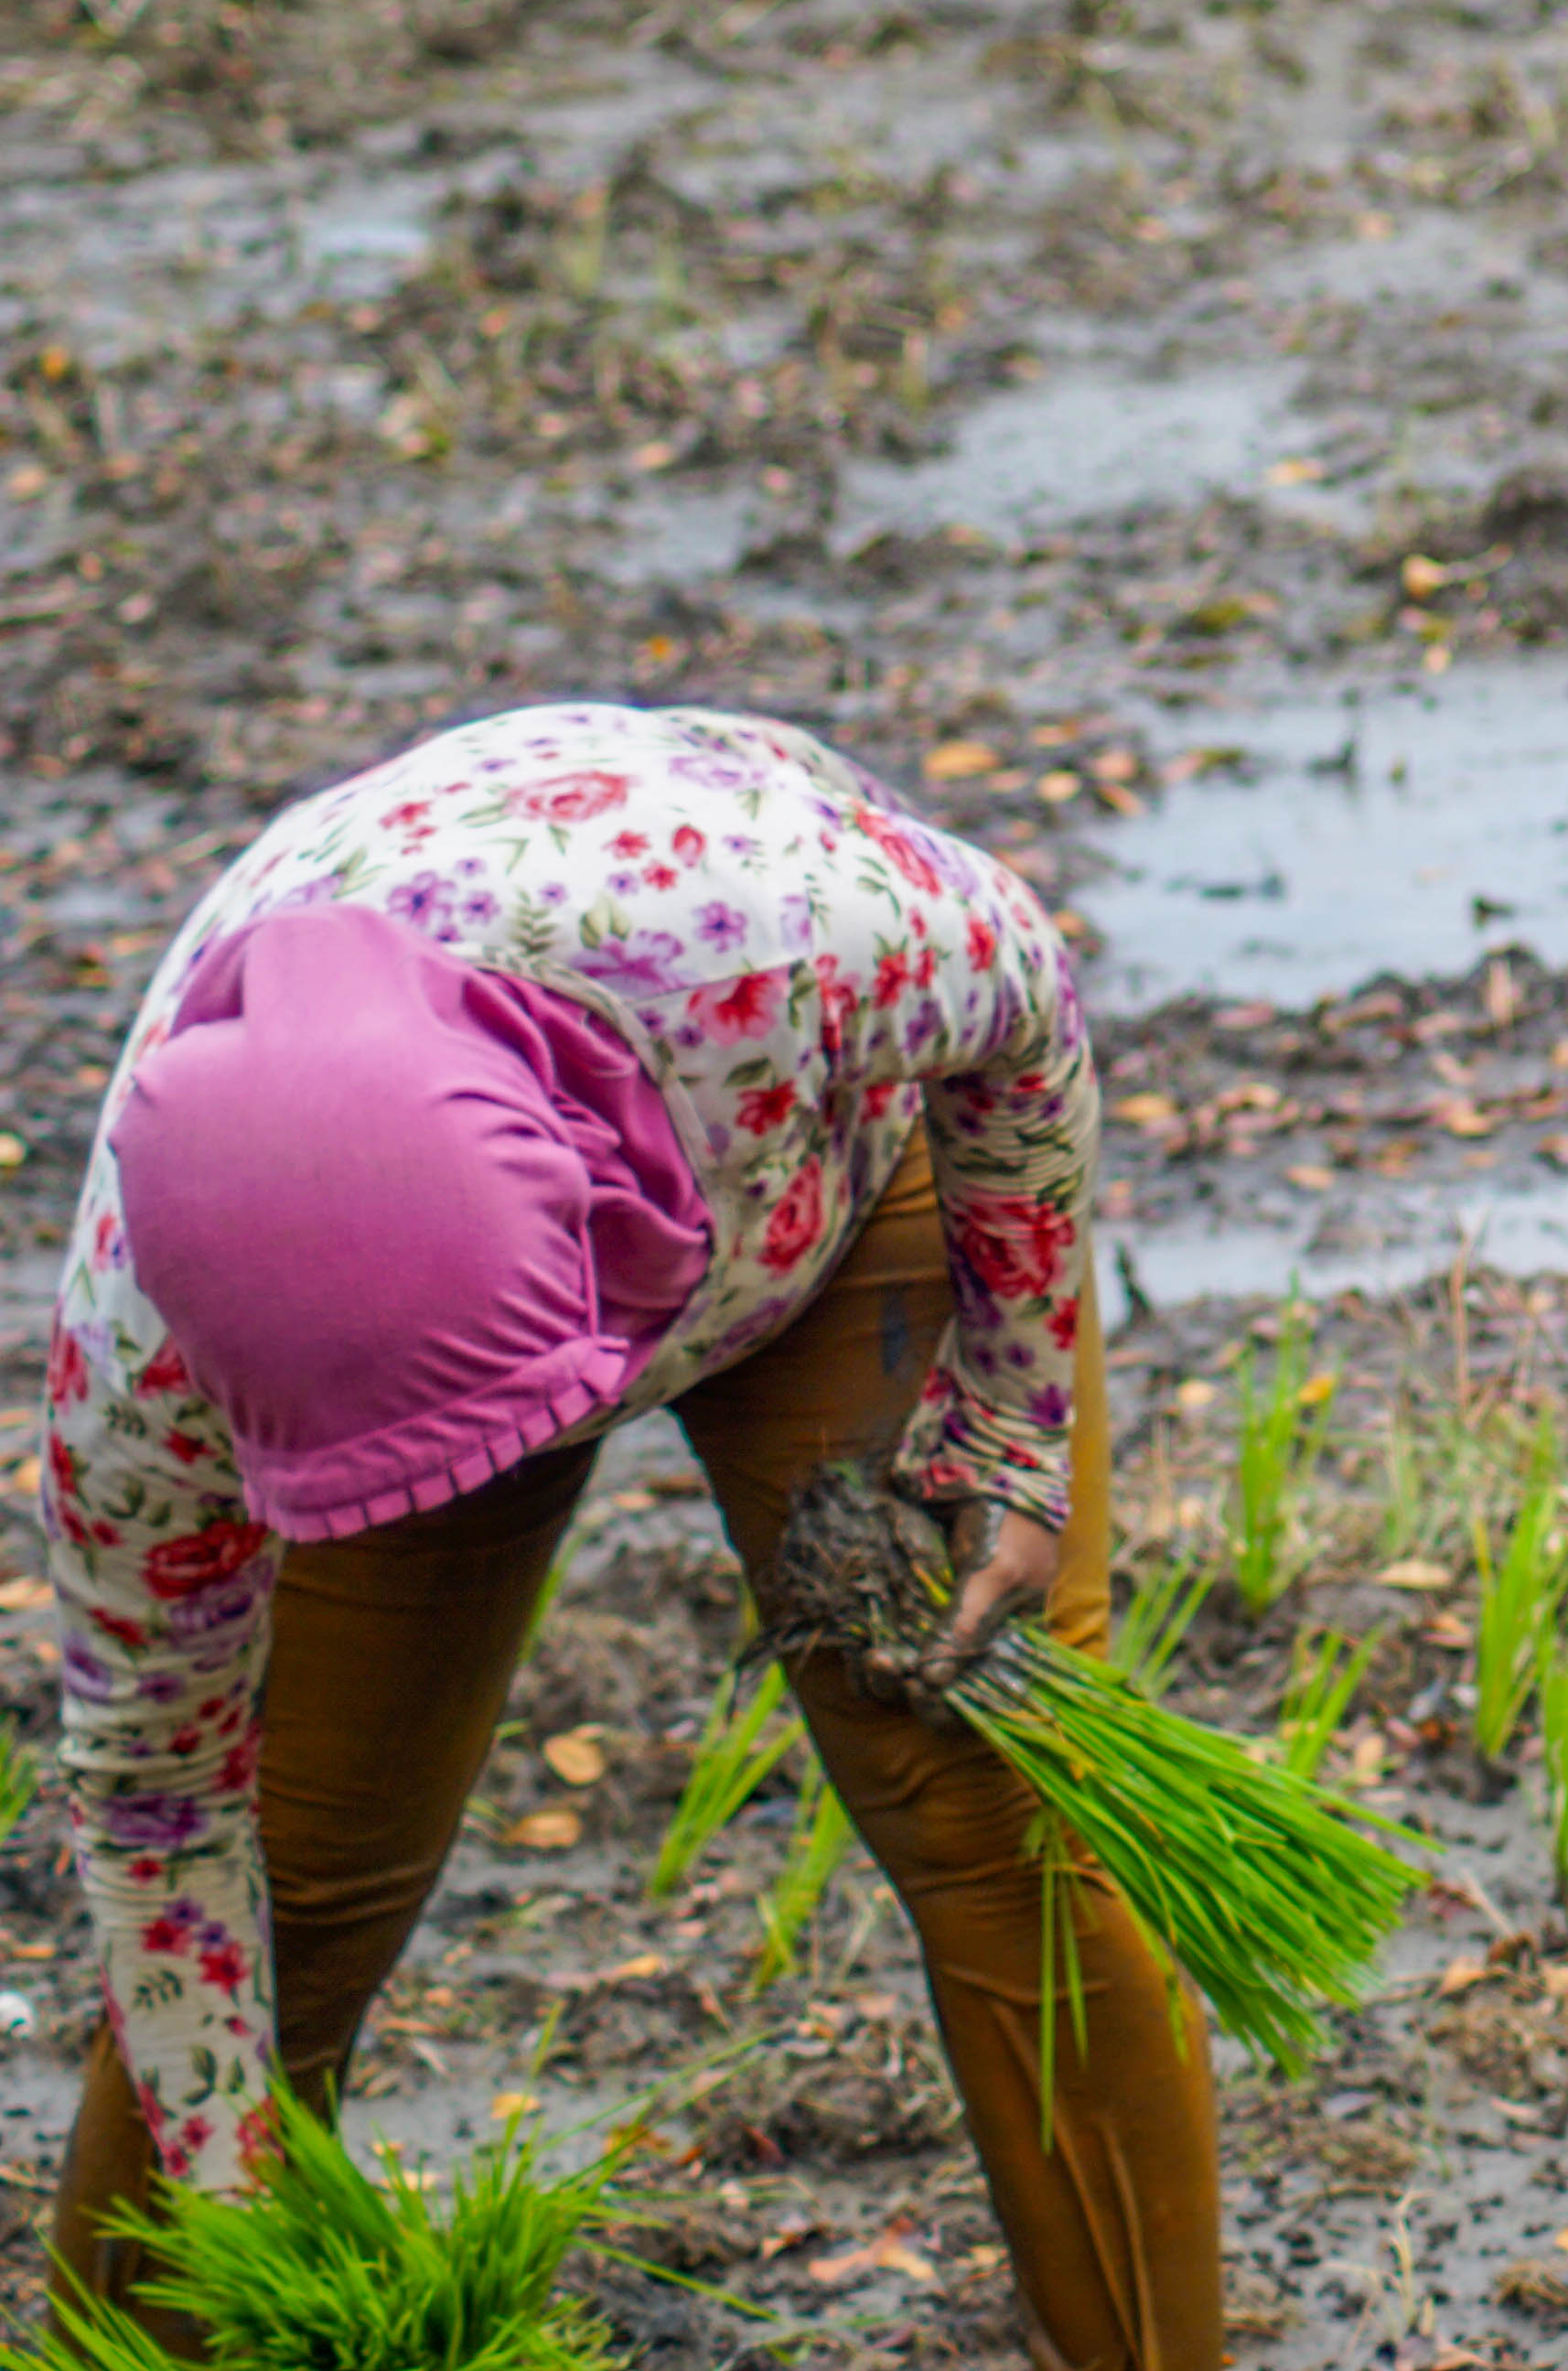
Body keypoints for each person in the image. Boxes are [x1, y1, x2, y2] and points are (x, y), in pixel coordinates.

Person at [39, 701, 1218, 2371]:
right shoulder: (147, 1371)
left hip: (821, 1179)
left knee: (999, 1814)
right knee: (289, 1890)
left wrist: (1015, 1427)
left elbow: (1018, 992)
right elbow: (159, 1813)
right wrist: (240, 2225)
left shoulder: (755, 931)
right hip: (390, 1341)